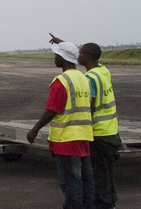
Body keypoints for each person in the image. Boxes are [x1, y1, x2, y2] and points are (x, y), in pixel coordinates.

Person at [51, 36, 122, 209]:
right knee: (107, 174)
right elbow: (86, 53)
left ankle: (104, 205)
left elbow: (88, 106)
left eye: (81, 53)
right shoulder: (103, 72)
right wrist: (62, 44)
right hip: (110, 131)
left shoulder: (90, 79)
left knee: (98, 176)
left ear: (87, 57)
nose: (78, 56)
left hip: (98, 132)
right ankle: (109, 202)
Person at [27, 40, 94, 209]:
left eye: (56, 55)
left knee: (71, 181)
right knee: (86, 180)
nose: (54, 58)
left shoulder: (62, 81)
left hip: (67, 139)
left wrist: (34, 129)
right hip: (84, 136)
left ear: (63, 58)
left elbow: (52, 110)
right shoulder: (84, 79)